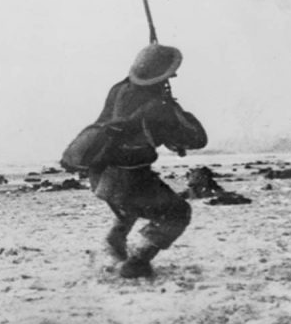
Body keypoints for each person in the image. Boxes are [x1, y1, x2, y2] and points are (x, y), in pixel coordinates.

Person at [83, 44, 207, 278]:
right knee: (177, 213)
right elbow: (195, 139)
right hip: (130, 178)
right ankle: (137, 261)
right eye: (171, 72)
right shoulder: (159, 106)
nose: (174, 75)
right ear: (161, 75)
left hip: (100, 174)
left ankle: (113, 243)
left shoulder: (118, 89)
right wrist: (174, 108)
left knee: (130, 208)